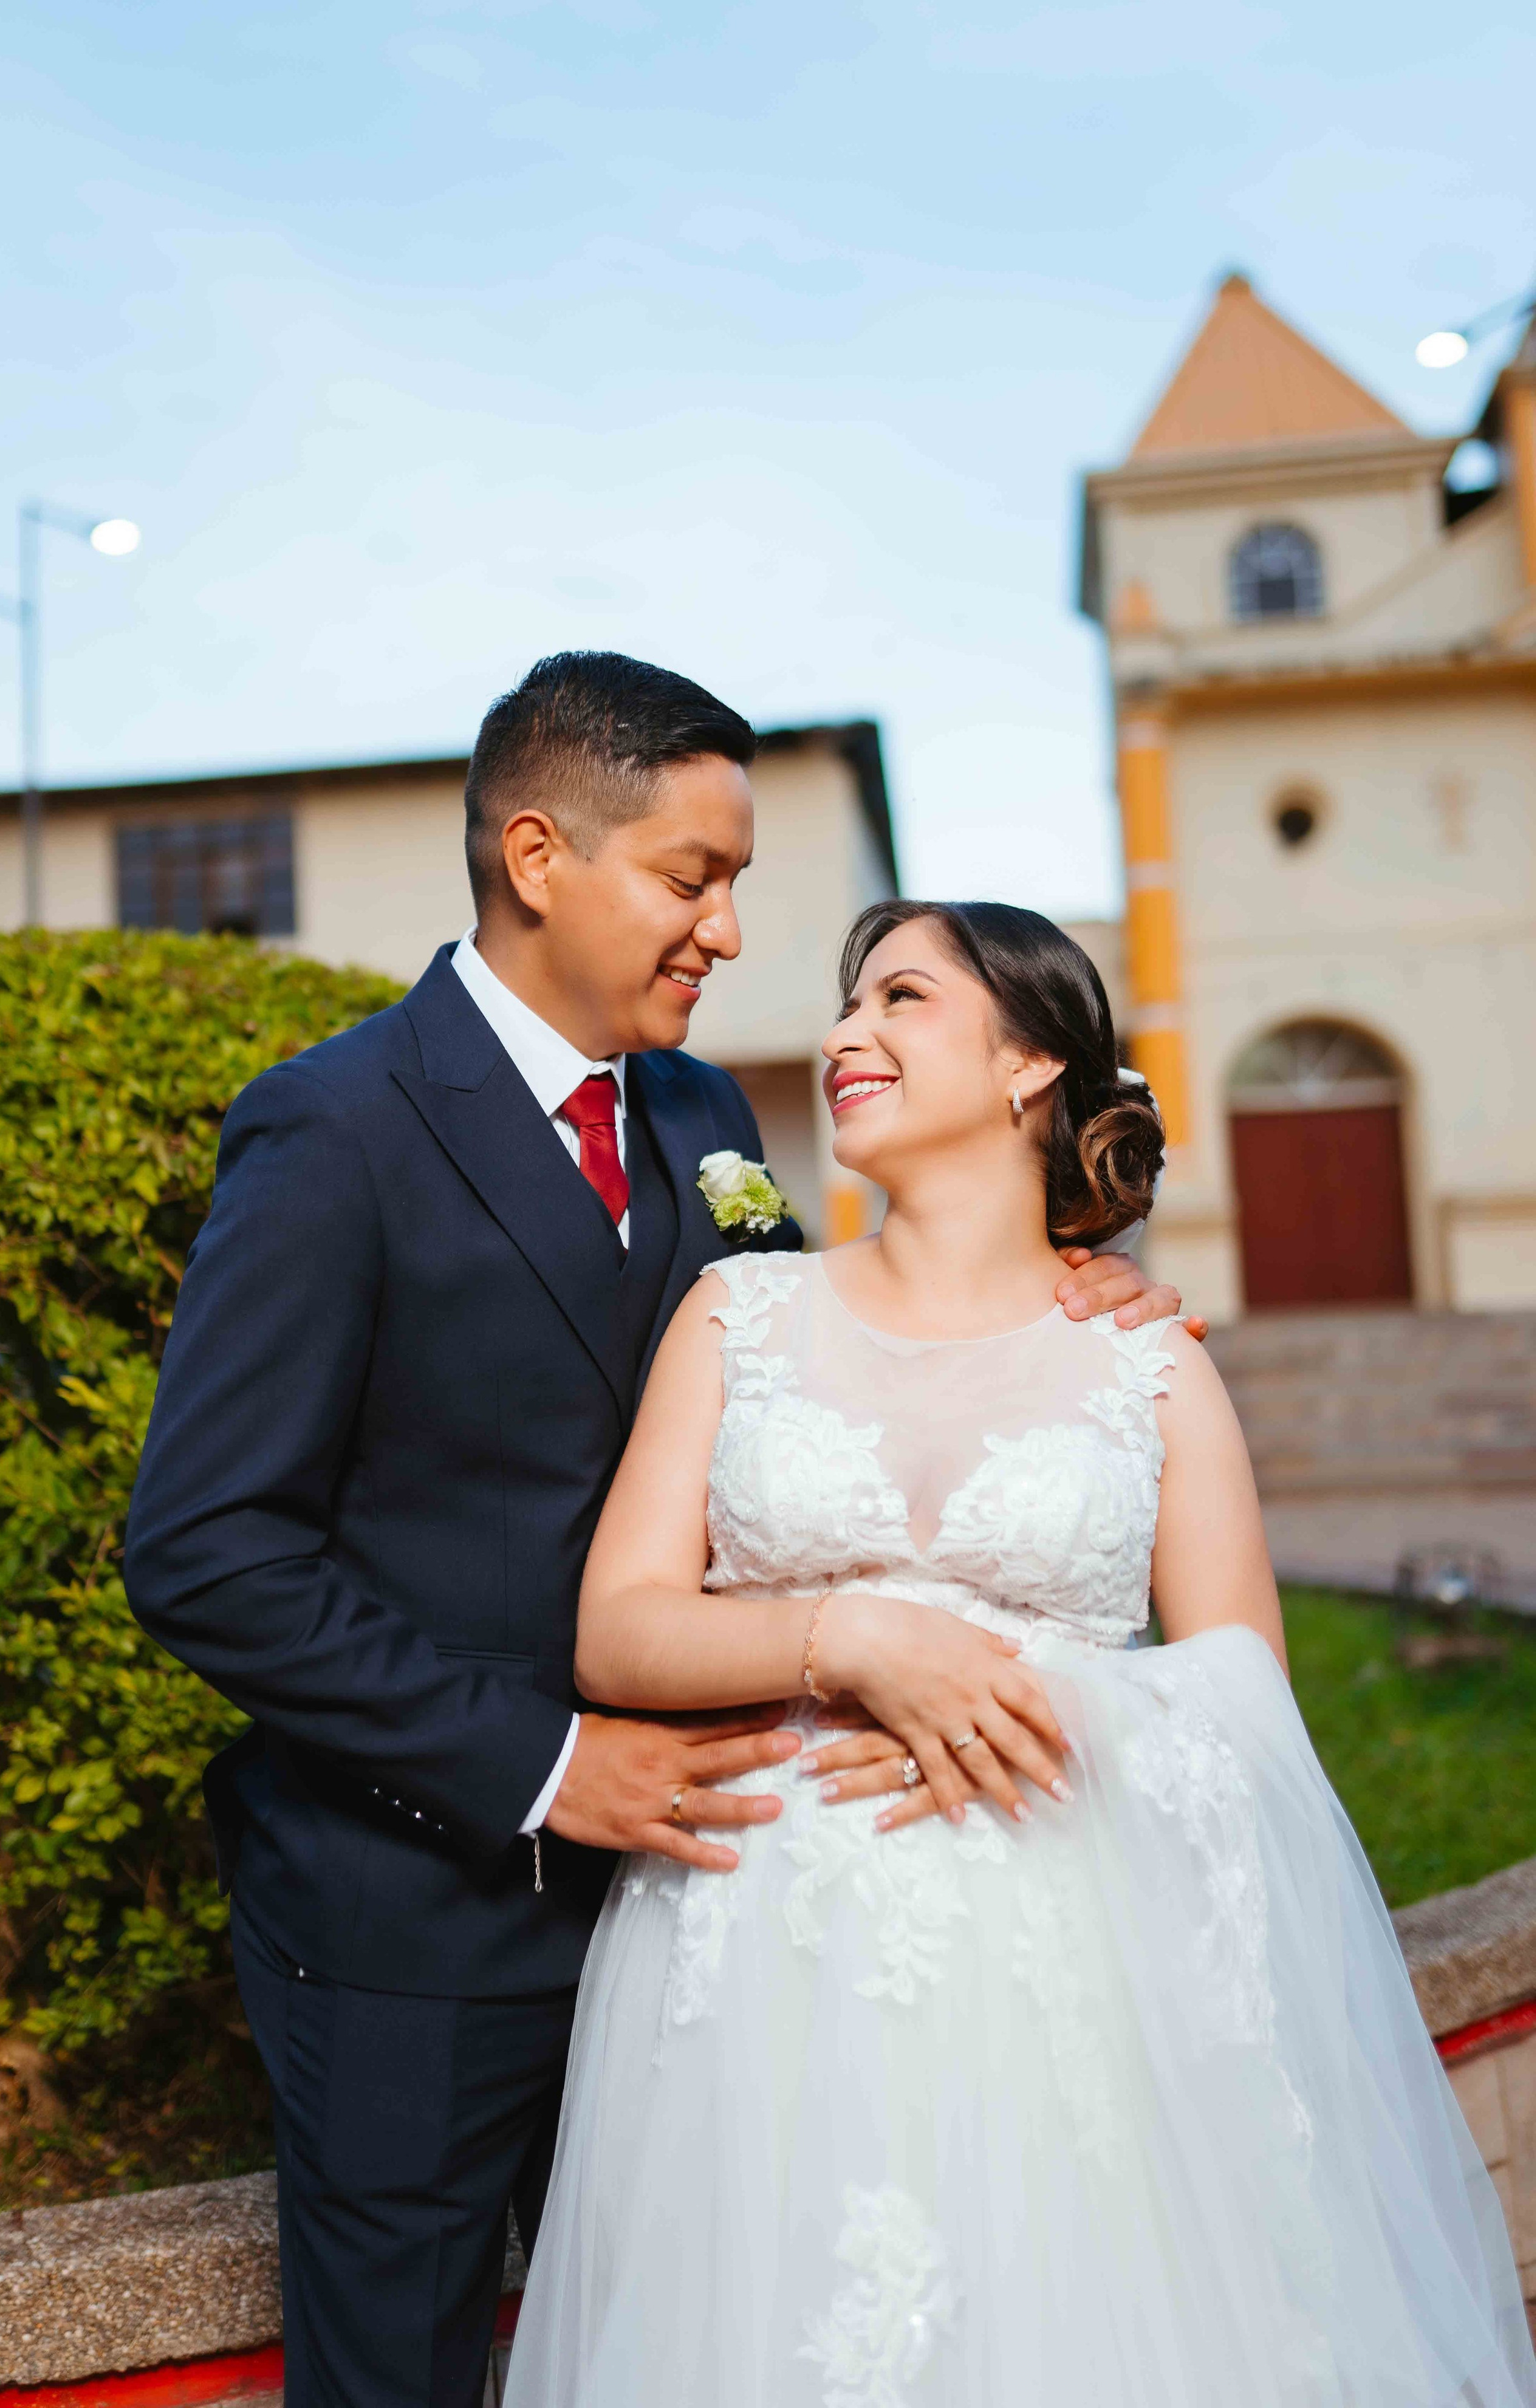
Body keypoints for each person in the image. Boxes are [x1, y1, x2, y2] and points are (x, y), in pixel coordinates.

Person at [123, 658, 1182, 2408]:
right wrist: (546, 1763)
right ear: (540, 856)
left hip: (721, 1912)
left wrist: (1063, 1289)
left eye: (738, 886)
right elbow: (210, 1548)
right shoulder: (336, 1130)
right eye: (695, 880)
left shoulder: (702, 1117)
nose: (732, 933)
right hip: (422, 1913)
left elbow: (818, 1363)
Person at [506, 896, 1536, 2408]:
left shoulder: (1147, 1361)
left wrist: (1032, 1697)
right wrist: (848, 1637)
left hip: (1071, 1963)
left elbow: (1247, 1692)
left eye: (899, 1000)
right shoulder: (738, 1314)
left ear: (1028, 1063)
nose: (846, 1033)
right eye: (846, 1003)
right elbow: (616, 1627)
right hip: (760, 1973)